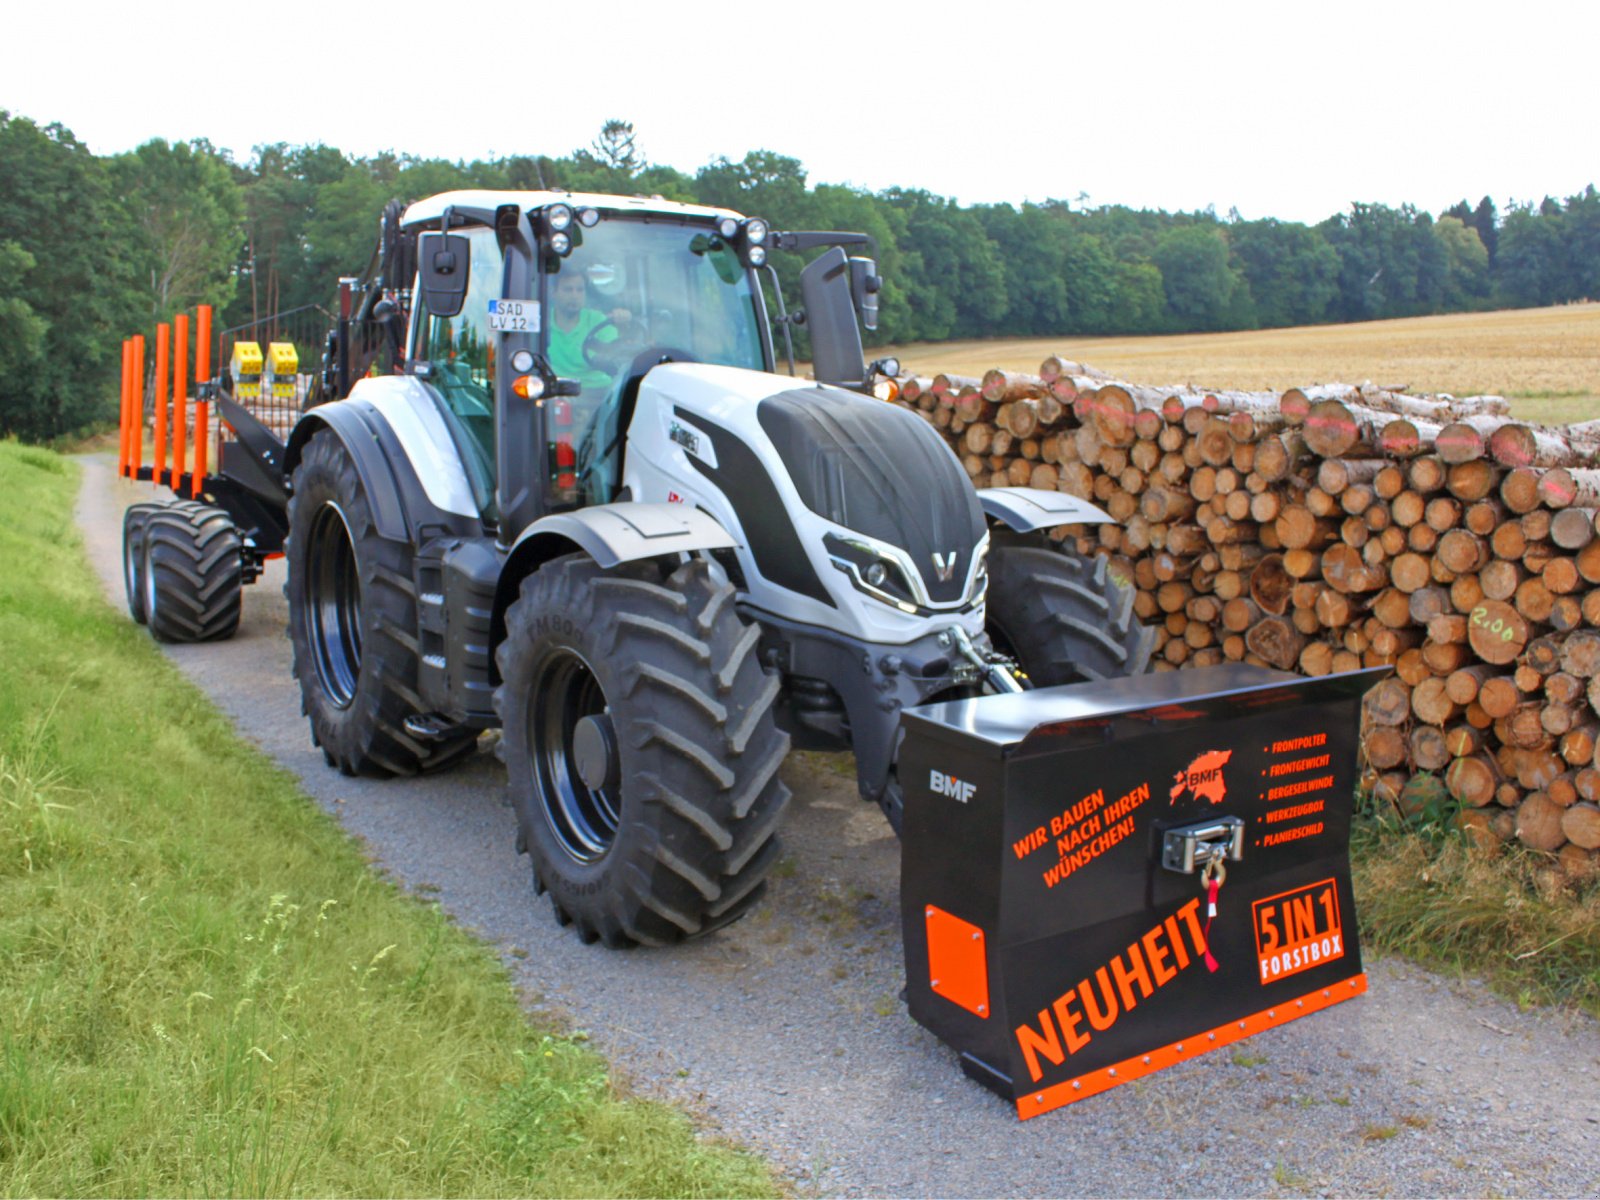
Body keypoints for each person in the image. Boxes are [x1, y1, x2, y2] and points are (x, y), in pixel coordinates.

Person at [546, 272, 632, 391]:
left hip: (598, 390)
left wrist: (623, 327)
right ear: (553, 293)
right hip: (556, 390)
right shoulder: (542, 322)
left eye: (580, 290)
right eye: (568, 290)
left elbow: (614, 353)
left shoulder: (598, 320)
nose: (575, 295)